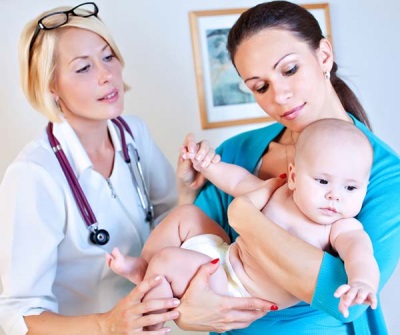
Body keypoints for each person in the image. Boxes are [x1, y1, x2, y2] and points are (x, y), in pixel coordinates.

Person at [0, 3, 248, 334]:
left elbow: (165, 227)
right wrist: (107, 324)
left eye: (107, 56)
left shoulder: (133, 134)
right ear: (51, 87)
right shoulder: (34, 175)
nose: (107, 75)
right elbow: (17, 317)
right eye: (83, 68)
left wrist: (186, 191)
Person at [168, 1, 400, 335]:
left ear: (323, 57)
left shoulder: (385, 175)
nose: (281, 95)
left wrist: (245, 219)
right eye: (260, 86)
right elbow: (188, 253)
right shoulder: (236, 152)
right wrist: (185, 313)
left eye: (289, 70)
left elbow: (346, 301)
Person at [108, 118, 379, 331]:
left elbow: (361, 254)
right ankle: (144, 267)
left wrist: (362, 282)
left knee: (168, 261)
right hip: (226, 257)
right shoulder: (280, 191)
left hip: (234, 291)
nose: (335, 195)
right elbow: (237, 182)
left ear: (364, 188)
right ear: (294, 176)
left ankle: (150, 322)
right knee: (186, 216)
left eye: (351, 187)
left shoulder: (341, 227)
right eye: (322, 181)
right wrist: (208, 166)